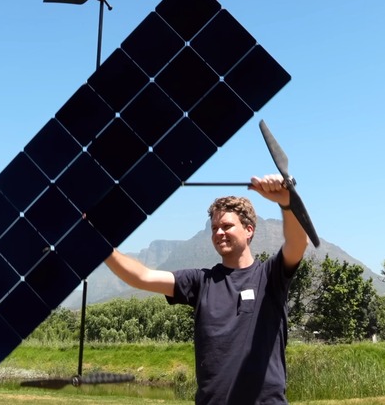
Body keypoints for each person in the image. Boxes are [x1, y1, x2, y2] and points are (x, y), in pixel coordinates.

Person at [104, 173, 309, 404]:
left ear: (249, 230)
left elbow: (297, 243)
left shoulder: (270, 276)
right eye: (214, 228)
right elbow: (141, 277)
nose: (218, 233)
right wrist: (101, 244)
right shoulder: (200, 282)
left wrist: (286, 201)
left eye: (226, 226)